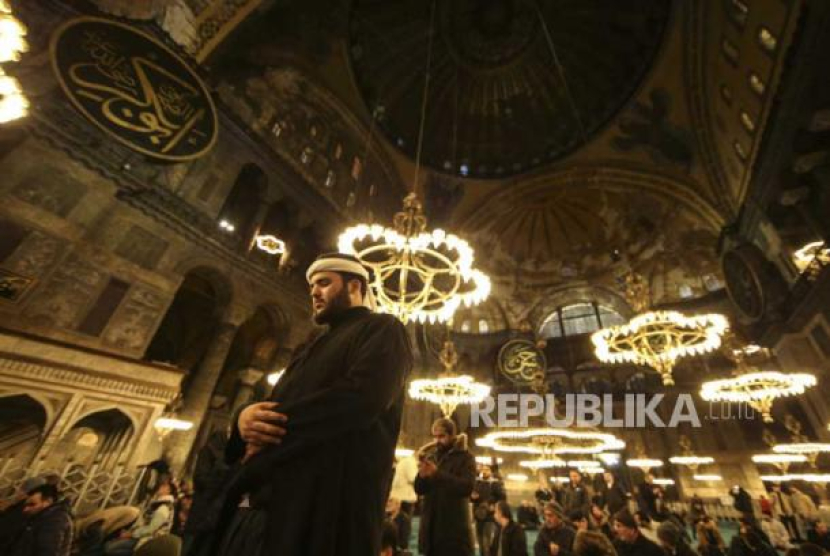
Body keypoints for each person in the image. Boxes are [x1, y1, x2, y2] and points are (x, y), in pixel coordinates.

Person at [214, 253, 413, 556]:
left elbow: (361, 399)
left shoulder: (383, 329)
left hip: (326, 510)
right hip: (264, 506)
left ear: (353, 286)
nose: (314, 293)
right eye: (311, 288)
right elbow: (272, 403)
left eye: (323, 283)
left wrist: (270, 432)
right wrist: (244, 420)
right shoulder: (309, 348)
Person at [415, 418, 476, 556]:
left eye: (441, 436)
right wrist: (421, 476)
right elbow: (419, 490)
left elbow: (467, 487)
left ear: (452, 435)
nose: (437, 441)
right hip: (431, 530)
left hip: (453, 532)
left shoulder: (466, 457)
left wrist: (436, 474)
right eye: (435, 436)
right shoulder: (432, 456)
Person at [104, 481, 176, 555]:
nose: (160, 487)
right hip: (141, 534)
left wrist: (131, 534)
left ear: (168, 491)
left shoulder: (164, 507)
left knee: (109, 548)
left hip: (147, 540)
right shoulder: (158, 502)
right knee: (110, 543)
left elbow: (151, 528)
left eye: (164, 486)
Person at [8, 483, 73, 556]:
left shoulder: (55, 520)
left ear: (48, 501)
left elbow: (47, 551)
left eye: (32, 504)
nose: (26, 509)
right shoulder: (42, 517)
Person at [0, 477, 45, 553]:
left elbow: (5, 528)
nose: (18, 491)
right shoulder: (33, 510)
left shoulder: (24, 509)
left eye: (21, 488)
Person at [472, 465, 506, 556]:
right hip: (478, 514)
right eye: (483, 469)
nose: (484, 471)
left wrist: (493, 505)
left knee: (486, 540)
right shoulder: (477, 482)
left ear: (491, 472)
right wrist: (473, 497)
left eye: (487, 469)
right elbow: (472, 497)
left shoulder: (494, 483)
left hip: (489, 516)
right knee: (480, 540)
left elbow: (502, 497)